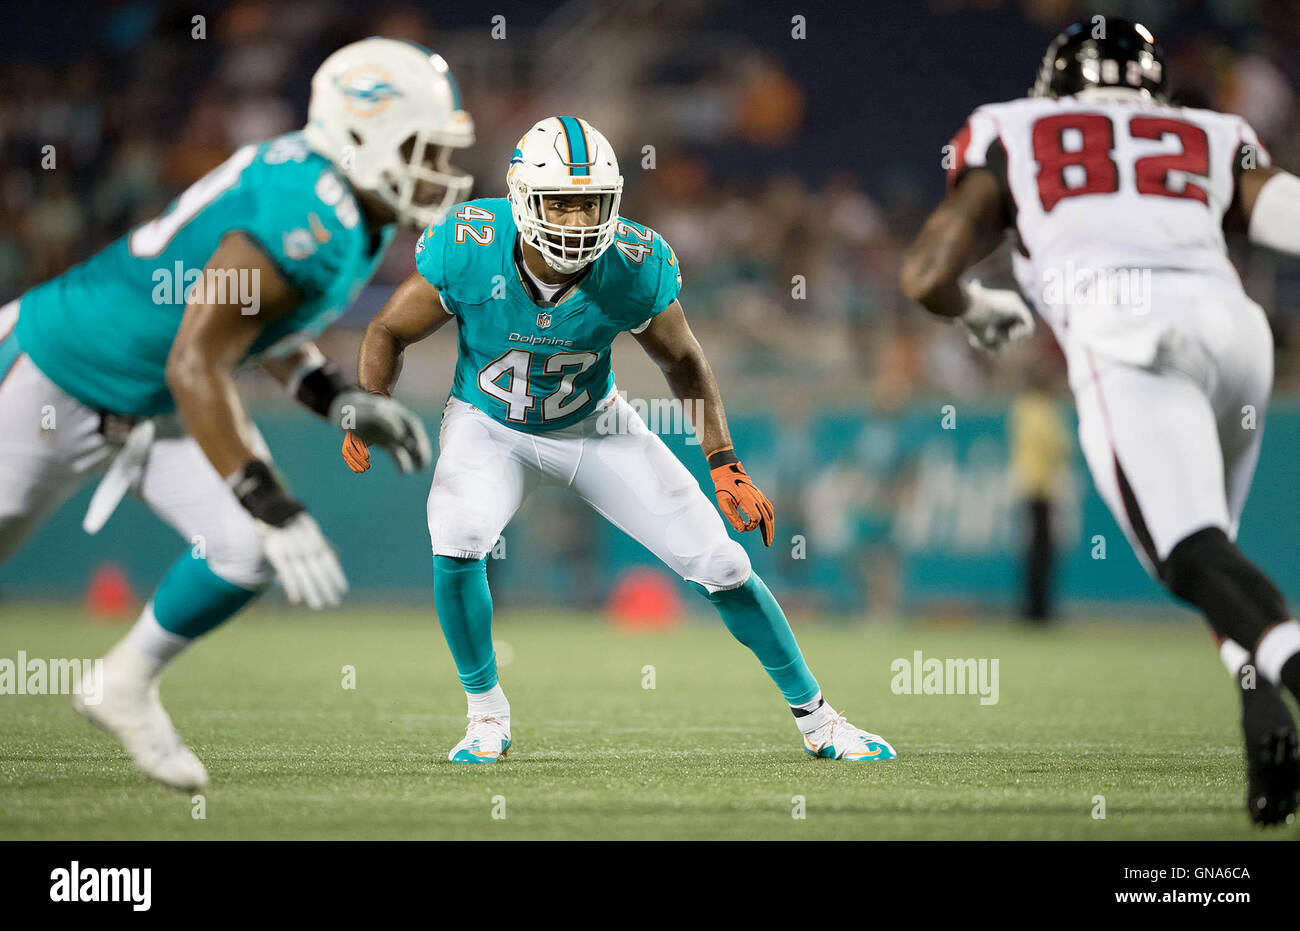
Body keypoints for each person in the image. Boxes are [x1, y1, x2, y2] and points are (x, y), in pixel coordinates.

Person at [0, 37, 472, 790]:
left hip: (151, 401)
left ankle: (121, 684)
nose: (436, 170)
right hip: (56, 374)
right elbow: (199, 359)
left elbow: (263, 324)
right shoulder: (306, 210)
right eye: (419, 146)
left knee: (243, 550)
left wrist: (335, 396)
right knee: (263, 524)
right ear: (360, 137)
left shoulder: (348, 207)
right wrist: (269, 495)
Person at [350, 116, 897, 764]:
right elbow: (387, 329)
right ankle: (485, 716)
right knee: (459, 532)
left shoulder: (631, 264)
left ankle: (822, 721)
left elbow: (684, 361)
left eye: (591, 204)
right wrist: (371, 406)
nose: (577, 221)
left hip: (595, 426)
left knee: (723, 564)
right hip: (489, 425)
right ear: (523, 200)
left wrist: (723, 462)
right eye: (561, 203)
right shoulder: (469, 244)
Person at [900, 17, 1300, 824]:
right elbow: (1288, 215)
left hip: (1128, 331)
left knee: (1188, 554)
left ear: (1056, 85)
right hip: (1237, 333)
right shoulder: (1212, 130)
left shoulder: (1012, 127)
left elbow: (926, 272)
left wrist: (975, 308)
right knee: (1211, 552)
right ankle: (1261, 708)